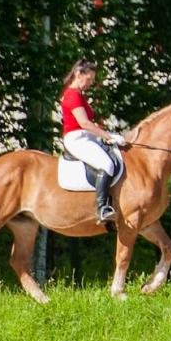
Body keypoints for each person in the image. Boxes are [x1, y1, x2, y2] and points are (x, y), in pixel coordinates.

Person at [59, 59, 125, 223]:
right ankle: (102, 208)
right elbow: (85, 123)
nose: (90, 83)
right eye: (88, 79)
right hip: (76, 139)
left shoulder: (80, 95)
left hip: (87, 137)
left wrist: (107, 135)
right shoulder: (72, 95)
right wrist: (108, 136)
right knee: (107, 164)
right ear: (78, 74)